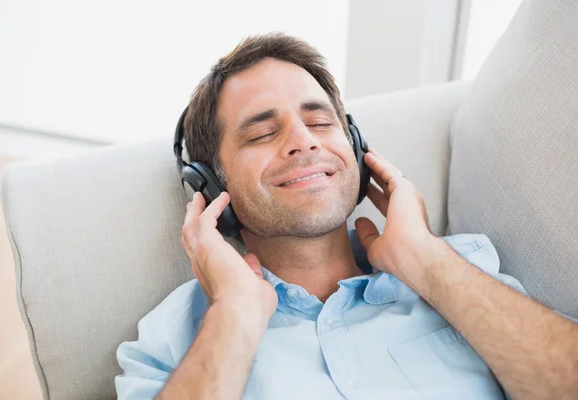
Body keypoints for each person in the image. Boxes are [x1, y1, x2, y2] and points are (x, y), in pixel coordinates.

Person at [115, 33, 578, 399]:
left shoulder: (462, 269)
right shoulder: (170, 339)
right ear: (211, 186)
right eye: (261, 133)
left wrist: (426, 262)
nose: (305, 141)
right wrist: (234, 312)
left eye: (320, 122)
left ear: (356, 148)